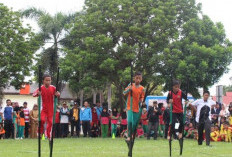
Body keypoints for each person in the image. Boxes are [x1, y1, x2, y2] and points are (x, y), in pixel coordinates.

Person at [33, 74, 60, 140]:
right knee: (41, 120)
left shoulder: (53, 88)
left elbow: (58, 94)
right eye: (46, 80)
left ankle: (48, 135)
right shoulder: (40, 88)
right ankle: (39, 132)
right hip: (43, 108)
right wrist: (37, 94)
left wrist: (58, 94)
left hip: (51, 108)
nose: (48, 82)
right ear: (43, 81)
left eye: (49, 80)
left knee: (50, 122)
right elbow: (34, 94)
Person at [123, 71, 145, 142]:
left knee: (135, 124)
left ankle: (131, 135)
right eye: (136, 78)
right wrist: (129, 89)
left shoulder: (142, 88)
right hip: (129, 107)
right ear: (134, 78)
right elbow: (124, 93)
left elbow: (142, 97)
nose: (138, 80)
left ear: (141, 79)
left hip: (137, 108)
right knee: (130, 121)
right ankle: (129, 136)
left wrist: (141, 102)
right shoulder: (131, 85)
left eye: (139, 78)